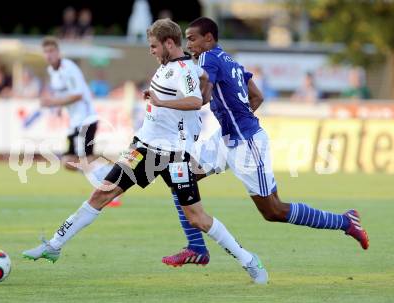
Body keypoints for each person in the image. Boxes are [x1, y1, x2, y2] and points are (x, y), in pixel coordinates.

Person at [23, 19, 268, 285]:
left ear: (169, 44)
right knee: (102, 193)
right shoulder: (173, 67)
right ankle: (54, 245)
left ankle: (248, 260)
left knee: (197, 217)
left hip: (174, 155)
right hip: (144, 148)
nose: (151, 50)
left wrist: (163, 101)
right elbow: (204, 82)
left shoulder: (183, 69)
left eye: (154, 45)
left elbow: (196, 101)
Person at [161, 17, 369, 268]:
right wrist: (238, 119)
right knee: (180, 179)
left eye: (192, 38)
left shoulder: (207, 58)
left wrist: (173, 97)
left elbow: (202, 99)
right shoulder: (232, 62)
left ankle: (346, 221)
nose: (189, 44)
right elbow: (256, 96)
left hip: (246, 144)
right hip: (229, 138)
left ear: (209, 38)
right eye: (186, 39)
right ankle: (196, 247)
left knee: (274, 211)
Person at [39, 36, 103, 176]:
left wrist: (52, 103)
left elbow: (78, 94)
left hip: (86, 119)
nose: (49, 55)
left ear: (58, 52)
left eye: (51, 51)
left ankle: (111, 178)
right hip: (74, 122)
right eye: (46, 51)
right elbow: (62, 94)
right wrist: (57, 108)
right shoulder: (51, 71)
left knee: (86, 160)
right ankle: (103, 174)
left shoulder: (69, 68)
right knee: (68, 161)